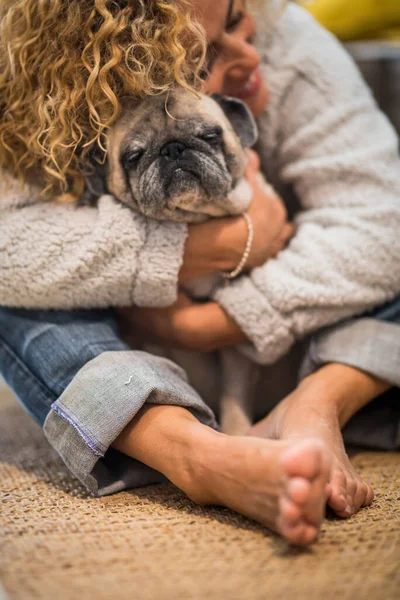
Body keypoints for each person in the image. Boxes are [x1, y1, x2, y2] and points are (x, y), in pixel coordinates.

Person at [1, 0, 399, 547]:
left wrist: (207, 323)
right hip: (131, 357)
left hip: (304, 345)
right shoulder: (46, 104)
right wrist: (216, 245)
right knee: (18, 302)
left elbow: (384, 226)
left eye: (236, 13)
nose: (246, 50)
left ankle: (317, 402)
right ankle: (196, 453)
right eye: (201, 55)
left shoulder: (291, 44)